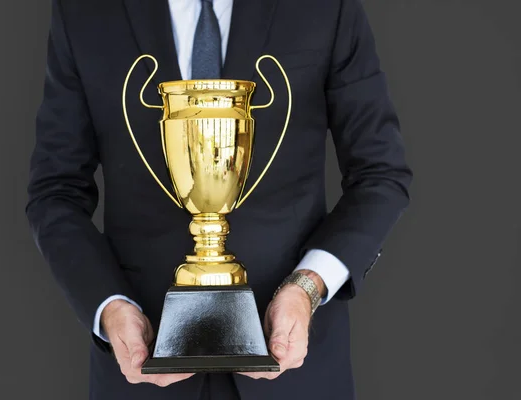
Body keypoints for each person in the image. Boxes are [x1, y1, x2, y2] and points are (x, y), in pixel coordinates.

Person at [26, 0, 412, 399]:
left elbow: (380, 174)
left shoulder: (325, 7)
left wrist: (308, 287)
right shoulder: (84, 12)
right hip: (141, 375)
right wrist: (110, 307)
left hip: (297, 375)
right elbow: (55, 191)